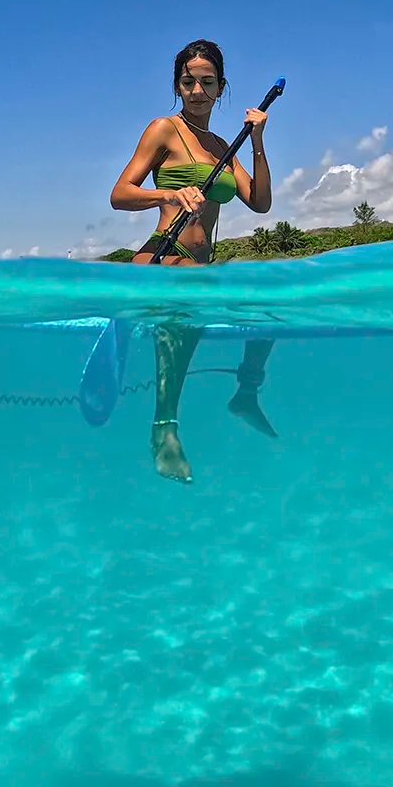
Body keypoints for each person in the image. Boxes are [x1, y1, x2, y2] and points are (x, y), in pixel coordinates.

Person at [110, 39, 277, 484]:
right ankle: (163, 429)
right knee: (182, 325)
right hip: (166, 254)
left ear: (221, 87)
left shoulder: (223, 143)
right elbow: (120, 194)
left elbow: (260, 203)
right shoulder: (164, 129)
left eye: (207, 82)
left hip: (203, 264)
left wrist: (257, 141)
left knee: (268, 310)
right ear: (178, 86)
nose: (197, 90)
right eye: (189, 82)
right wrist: (168, 192)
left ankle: (246, 393)